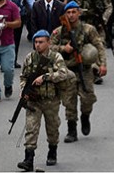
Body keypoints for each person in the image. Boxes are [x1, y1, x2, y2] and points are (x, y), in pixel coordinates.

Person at [50, 1, 106, 143]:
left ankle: (85, 116)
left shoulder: (88, 29)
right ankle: (72, 130)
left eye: (74, 12)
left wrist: (102, 64)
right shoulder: (59, 31)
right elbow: (49, 48)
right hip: (67, 70)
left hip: (85, 69)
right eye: (68, 13)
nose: (71, 15)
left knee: (88, 97)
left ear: (79, 13)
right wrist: (64, 49)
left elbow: (98, 46)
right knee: (69, 101)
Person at [17, 30, 68, 172]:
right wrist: (24, 90)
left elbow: (63, 73)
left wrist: (45, 77)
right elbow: (23, 77)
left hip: (51, 100)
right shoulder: (30, 58)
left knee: (52, 128)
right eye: (36, 42)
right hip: (34, 100)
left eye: (41, 42)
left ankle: (52, 151)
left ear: (48, 43)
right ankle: (28, 159)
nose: (37, 45)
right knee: (31, 128)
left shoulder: (55, 57)